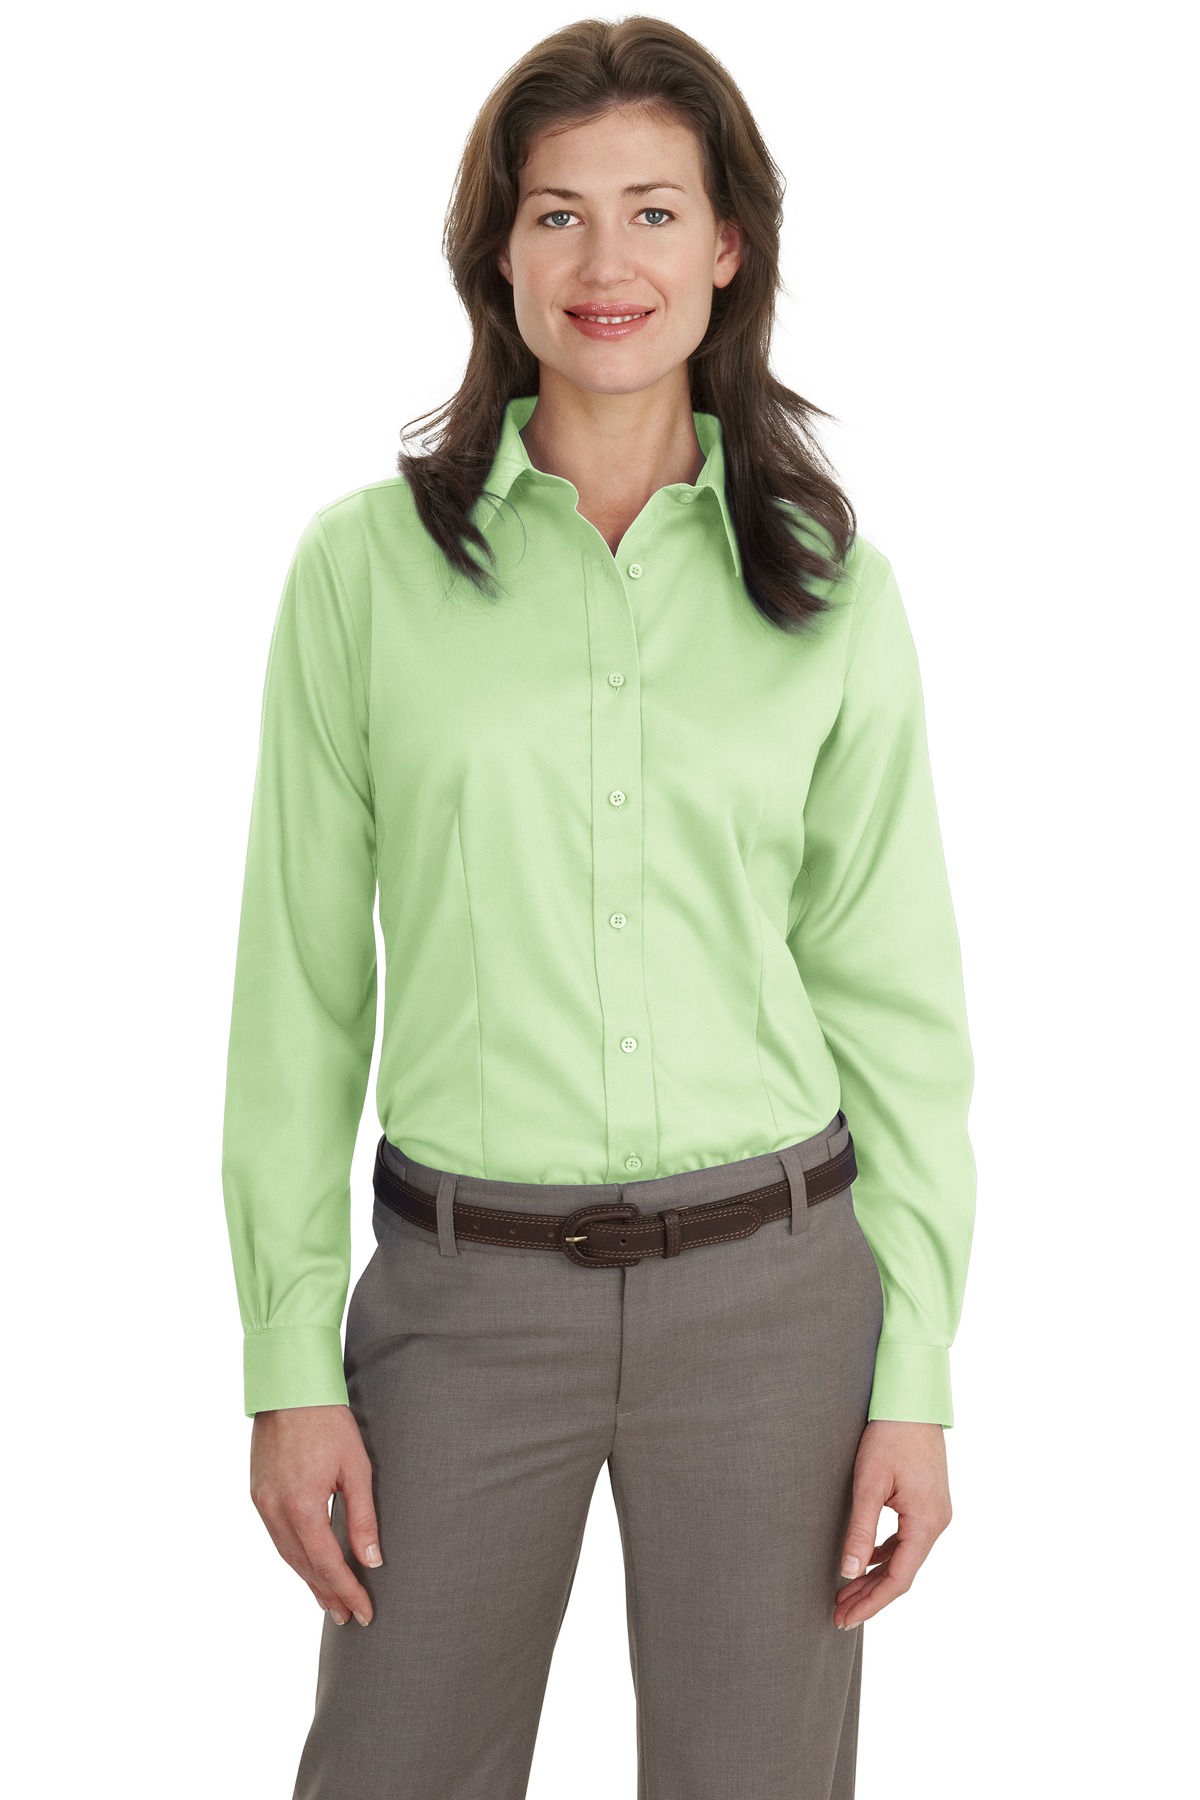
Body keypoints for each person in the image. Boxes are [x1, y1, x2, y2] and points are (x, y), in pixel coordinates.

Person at [220, 16, 976, 1800]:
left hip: (777, 1304)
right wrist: (287, 1356)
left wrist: (916, 1369)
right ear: (496, 253)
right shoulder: (363, 573)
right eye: (556, 214)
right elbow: (300, 993)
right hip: (462, 1302)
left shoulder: (832, 589)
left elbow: (894, 1001)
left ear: (728, 247)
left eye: (654, 211)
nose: (605, 262)